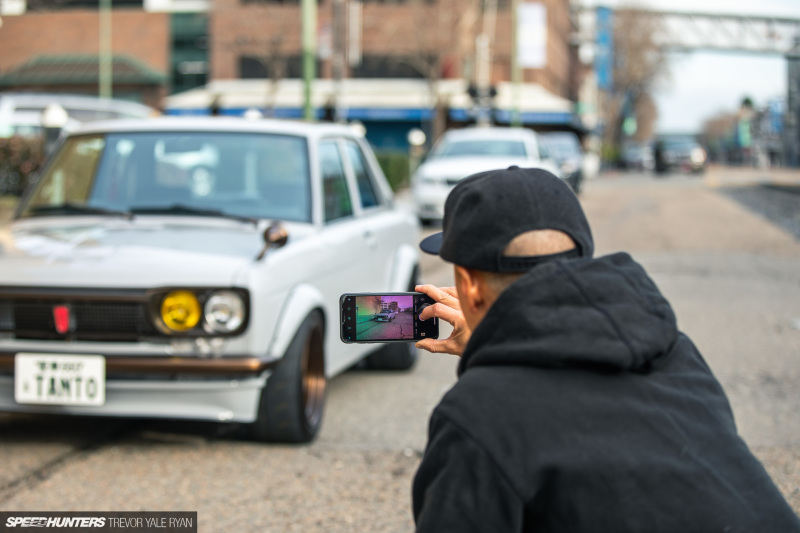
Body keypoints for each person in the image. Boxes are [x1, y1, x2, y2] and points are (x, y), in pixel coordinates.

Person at [410, 166, 800, 532]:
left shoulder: (477, 414)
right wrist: (493, 346)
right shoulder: (676, 352)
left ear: (469, 284)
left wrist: (490, 367)